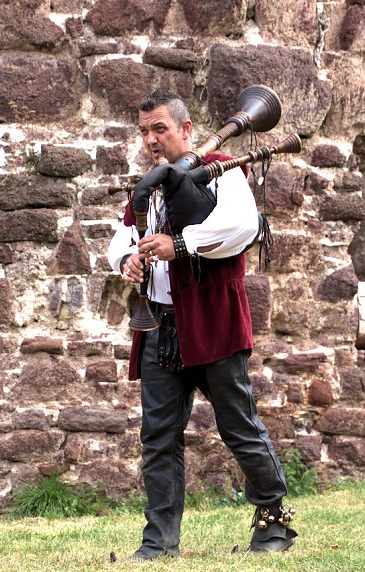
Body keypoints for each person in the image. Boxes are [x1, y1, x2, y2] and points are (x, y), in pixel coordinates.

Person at [107, 89, 297, 561]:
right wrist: (129, 259)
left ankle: (273, 522)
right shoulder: (149, 185)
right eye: (145, 131)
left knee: (238, 426)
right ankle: (158, 543)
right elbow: (122, 238)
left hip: (212, 319)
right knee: (158, 438)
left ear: (185, 129)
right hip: (159, 326)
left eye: (160, 129)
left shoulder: (224, 170)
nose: (151, 139)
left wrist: (181, 243)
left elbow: (242, 226)